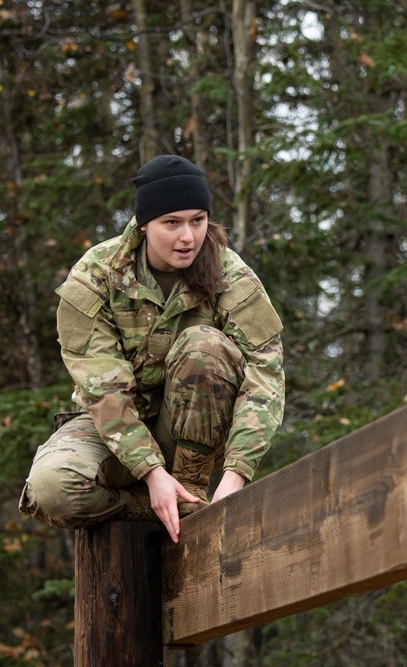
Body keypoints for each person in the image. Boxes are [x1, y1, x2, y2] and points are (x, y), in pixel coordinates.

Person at [19, 155, 285, 543]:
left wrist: (236, 475)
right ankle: (164, 504)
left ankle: (189, 490)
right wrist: (151, 475)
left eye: (198, 220)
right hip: (114, 426)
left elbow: (266, 375)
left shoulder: (230, 274)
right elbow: (103, 390)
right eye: (172, 223)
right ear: (145, 225)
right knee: (51, 490)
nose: (188, 237)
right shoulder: (97, 275)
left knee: (205, 347)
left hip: (189, 435)